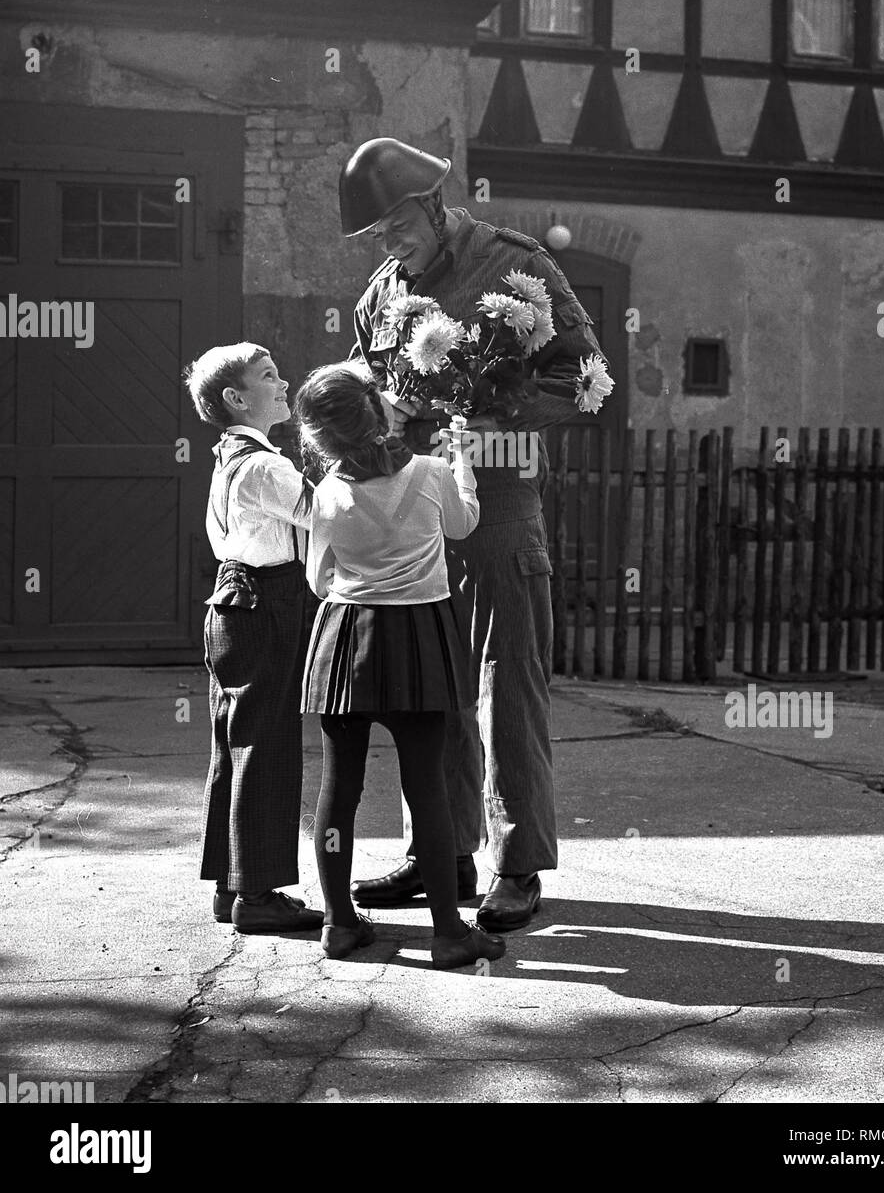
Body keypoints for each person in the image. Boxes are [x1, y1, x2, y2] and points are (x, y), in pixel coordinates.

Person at [339, 138, 604, 931]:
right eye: (376, 238)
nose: (390, 248)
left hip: (497, 502)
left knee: (506, 684)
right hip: (417, 513)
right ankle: (441, 852)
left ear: (428, 203)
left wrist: (496, 417)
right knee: (428, 690)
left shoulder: (512, 265)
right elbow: (367, 390)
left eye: (396, 228)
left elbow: (586, 375)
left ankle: (517, 866)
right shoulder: (382, 295)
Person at [295, 362, 507, 970]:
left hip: (346, 642)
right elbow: (464, 525)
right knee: (428, 789)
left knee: (339, 790)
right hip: (421, 639)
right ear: (382, 414)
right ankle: (448, 934)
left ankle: (338, 925)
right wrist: (463, 461)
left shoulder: (327, 495)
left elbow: (317, 581)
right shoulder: (433, 473)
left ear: (318, 438)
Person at [184, 342, 323, 935]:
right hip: (266, 603)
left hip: (234, 603)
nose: (284, 382)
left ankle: (232, 884)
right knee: (267, 746)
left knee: (237, 745)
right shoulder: (264, 466)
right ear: (237, 399)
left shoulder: (231, 459)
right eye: (269, 377)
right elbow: (326, 514)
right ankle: (258, 896)